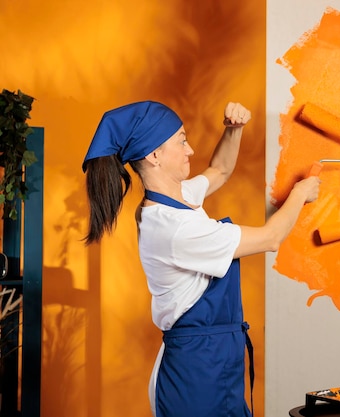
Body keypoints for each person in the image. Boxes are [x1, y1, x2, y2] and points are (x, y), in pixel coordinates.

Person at [82, 100, 320, 417]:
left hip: (214, 361)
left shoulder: (174, 200)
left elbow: (219, 170)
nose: (190, 150)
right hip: (194, 377)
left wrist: (233, 130)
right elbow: (270, 238)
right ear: (154, 155)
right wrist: (301, 194)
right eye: (181, 141)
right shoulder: (175, 228)